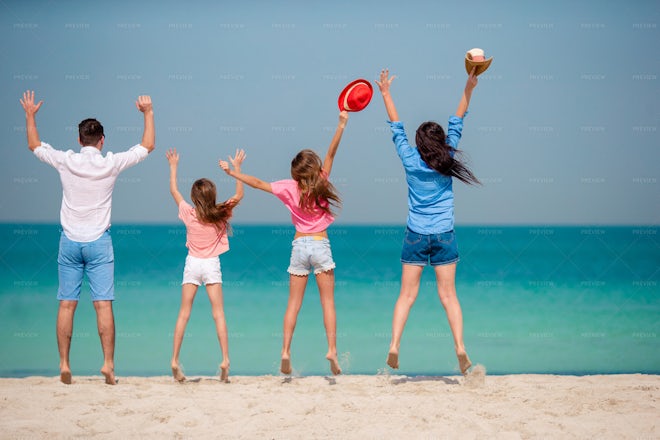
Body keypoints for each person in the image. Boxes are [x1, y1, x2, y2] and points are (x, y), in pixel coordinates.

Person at [20, 90, 155, 385]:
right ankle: (107, 364)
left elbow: (33, 144)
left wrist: (30, 115)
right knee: (103, 304)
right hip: (99, 242)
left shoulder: (66, 160)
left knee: (67, 304)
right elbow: (147, 145)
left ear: (79, 140)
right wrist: (147, 113)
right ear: (102, 141)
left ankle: (65, 363)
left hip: (69, 241)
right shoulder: (111, 163)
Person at [220, 111, 349, 376]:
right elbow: (332, 152)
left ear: (295, 173)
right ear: (313, 168)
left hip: (299, 247)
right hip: (321, 245)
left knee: (293, 304)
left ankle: (286, 351)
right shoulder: (321, 181)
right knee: (328, 303)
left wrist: (234, 172)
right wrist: (341, 124)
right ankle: (332, 350)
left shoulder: (288, 187)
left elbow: (256, 184)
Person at [375, 68, 480, 375]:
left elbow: (396, 127)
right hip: (445, 234)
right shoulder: (447, 159)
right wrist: (469, 86)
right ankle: (460, 347)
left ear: (419, 143)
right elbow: (458, 118)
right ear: (441, 142)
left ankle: (394, 344)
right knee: (449, 296)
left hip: (416, 235)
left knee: (406, 296)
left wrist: (385, 93)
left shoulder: (409, 159)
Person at [166, 148, 244, 383]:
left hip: (192, 263)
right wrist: (235, 169)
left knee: (184, 313)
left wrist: (173, 167)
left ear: (194, 197)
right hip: (211, 265)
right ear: (212, 196)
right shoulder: (221, 212)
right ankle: (225, 359)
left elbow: (173, 190)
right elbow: (240, 194)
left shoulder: (188, 213)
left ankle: (174, 359)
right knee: (218, 313)